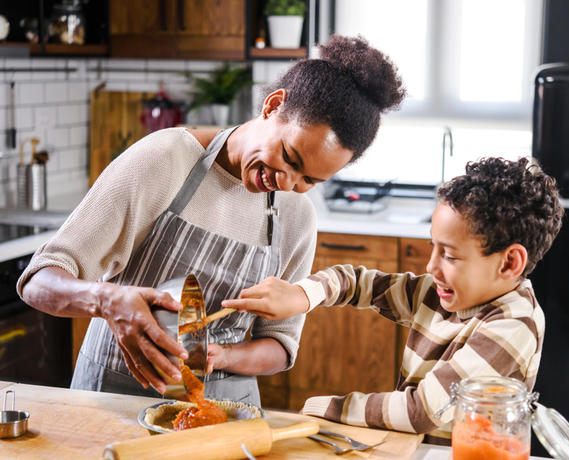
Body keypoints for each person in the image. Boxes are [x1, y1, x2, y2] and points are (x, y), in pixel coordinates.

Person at [17, 35, 406, 406]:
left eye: (310, 180)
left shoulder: (297, 217)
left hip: (225, 412)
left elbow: (280, 345)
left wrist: (222, 357)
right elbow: (39, 280)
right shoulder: (166, 159)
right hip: (115, 397)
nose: (287, 182)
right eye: (290, 157)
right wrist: (106, 299)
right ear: (272, 106)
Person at [222, 157, 564, 443]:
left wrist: (329, 409)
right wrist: (302, 295)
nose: (431, 266)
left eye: (451, 256)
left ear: (509, 263)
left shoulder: (513, 323)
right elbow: (355, 282)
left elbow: (421, 411)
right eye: (434, 247)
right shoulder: (440, 294)